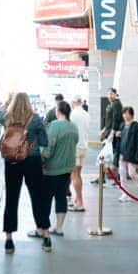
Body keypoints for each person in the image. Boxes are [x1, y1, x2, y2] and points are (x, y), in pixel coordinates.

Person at [0, 91, 53, 254]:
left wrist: (6, 103)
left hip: (12, 162)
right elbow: (44, 141)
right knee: (38, 197)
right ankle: (46, 236)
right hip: (32, 161)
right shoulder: (36, 119)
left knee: (11, 198)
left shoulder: (6, 117)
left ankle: (9, 240)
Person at [41, 100, 80, 234]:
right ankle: (59, 227)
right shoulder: (73, 127)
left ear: (58, 112)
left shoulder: (54, 126)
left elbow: (48, 148)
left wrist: (41, 158)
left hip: (52, 169)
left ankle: (42, 229)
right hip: (67, 167)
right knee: (61, 197)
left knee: (45, 199)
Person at [69, 98, 92, 210]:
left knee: (74, 175)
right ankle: (77, 200)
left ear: (74, 102)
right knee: (78, 174)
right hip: (84, 147)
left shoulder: (73, 114)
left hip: (75, 148)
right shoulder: (86, 114)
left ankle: (80, 203)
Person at [117, 106, 138, 202]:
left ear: (131, 114)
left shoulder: (137, 127)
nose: (124, 115)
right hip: (122, 153)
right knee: (122, 175)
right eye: (123, 113)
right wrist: (118, 135)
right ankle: (125, 194)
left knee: (132, 173)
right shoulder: (122, 125)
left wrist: (137, 156)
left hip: (131, 154)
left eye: (126, 113)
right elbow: (120, 139)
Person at [102, 88, 123, 169]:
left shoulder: (116, 104)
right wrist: (104, 129)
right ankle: (102, 176)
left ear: (115, 94)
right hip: (108, 132)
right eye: (108, 94)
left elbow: (116, 119)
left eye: (112, 94)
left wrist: (112, 133)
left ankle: (115, 177)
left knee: (109, 155)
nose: (110, 96)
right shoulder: (111, 104)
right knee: (104, 154)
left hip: (112, 134)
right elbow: (110, 120)